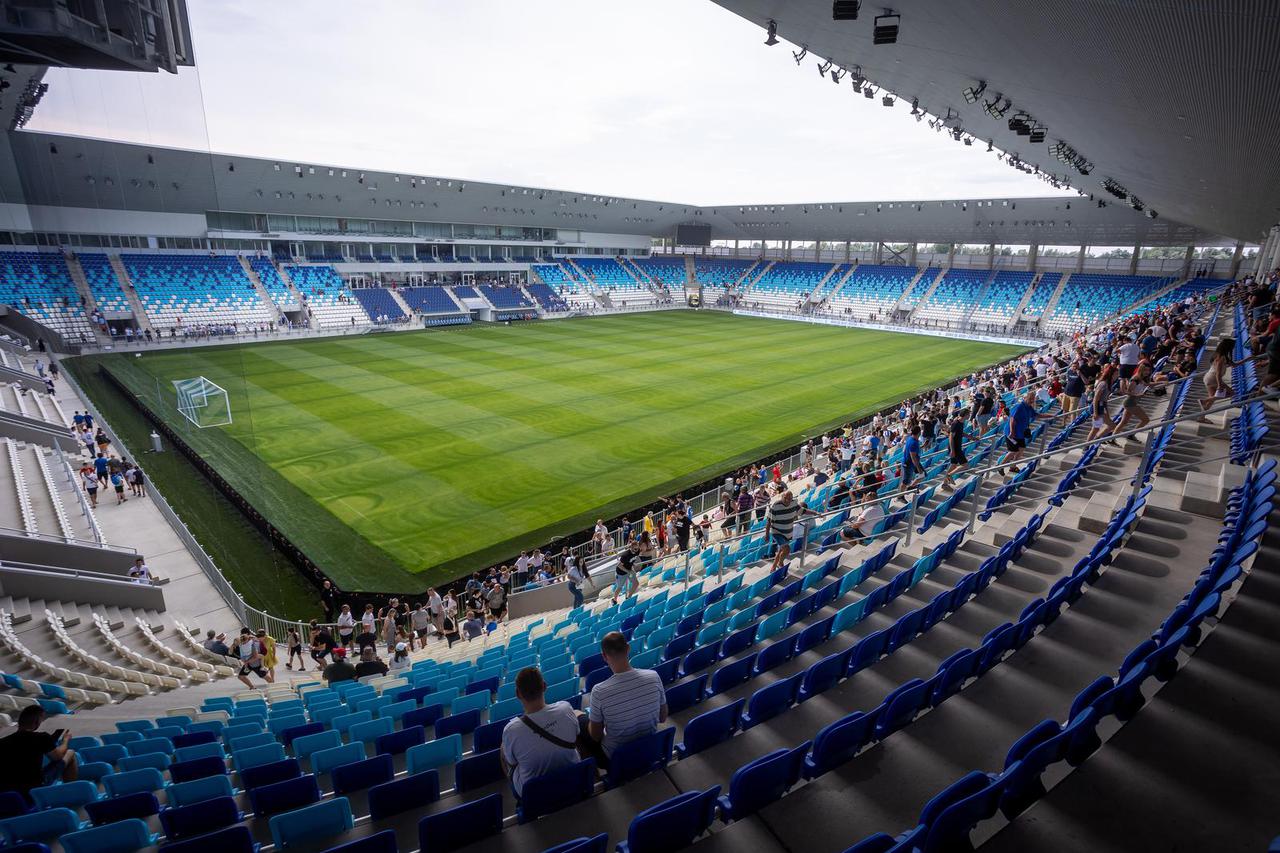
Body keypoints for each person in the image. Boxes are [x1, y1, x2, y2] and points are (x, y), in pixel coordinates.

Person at [581, 632, 666, 769]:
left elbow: (596, 736)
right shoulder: (654, 676)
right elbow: (662, 717)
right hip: (649, 747)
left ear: (604, 656)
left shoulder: (599, 691)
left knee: (579, 720)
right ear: (628, 648)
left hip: (617, 757)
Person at [501, 667, 581, 799]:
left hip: (535, 794)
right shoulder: (566, 708)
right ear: (544, 686)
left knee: (503, 748)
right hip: (573, 778)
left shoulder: (511, 730)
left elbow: (512, 761)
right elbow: (576, 734)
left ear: (518, 694)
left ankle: (519, 798)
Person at [0, 705, 77, 802]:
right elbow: (58, 757)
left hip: (8, 792)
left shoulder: (2, 742)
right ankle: (71, 792)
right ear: (36, 722)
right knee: (70, 752)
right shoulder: (42, 737)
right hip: (35, 786)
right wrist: (65, 740)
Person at [765, 490, 803, 571]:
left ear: (792, 498)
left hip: (786, 533)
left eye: (789, 498)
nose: (787, 500)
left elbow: (803, 510)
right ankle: (780, 563)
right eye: (785, 498)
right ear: (782, 497)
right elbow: (768, 521)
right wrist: (767, 534)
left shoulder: (793, 503)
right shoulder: (775, 505)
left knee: (781, 550)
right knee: (787, 549)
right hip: (777, 532)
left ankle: (774, 566)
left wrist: (815, 513)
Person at [612, 541, 640, 606]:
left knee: (636, 583)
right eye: (635, 549)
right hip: (621, 572)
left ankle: (628, 597)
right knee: (620, 587)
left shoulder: (637, 551)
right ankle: (614, 600)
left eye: (637, 548)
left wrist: (632, 564)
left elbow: (632, 559)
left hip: (629, 570)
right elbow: (619, 565)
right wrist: (628, 571)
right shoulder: (625, 555)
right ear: (631, 547)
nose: (636, 550)